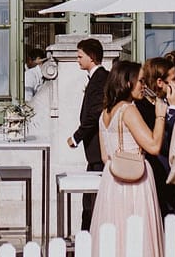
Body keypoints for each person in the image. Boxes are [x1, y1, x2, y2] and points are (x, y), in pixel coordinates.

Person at [89, 61, 165, 257]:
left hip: (112, 181)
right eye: (141, 81)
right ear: (128, 82)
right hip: (135, 182)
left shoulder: (105, 113)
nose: (144, 86)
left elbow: (105, 156)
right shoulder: (128, 110)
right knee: (137, 234)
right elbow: (154, 146)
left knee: (115, 233)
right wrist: (160, 116)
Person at [67, 37, 108, 228]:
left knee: (94, 199)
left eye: (80, 56)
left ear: (91, 57)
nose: (77, 59)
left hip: (98, 147)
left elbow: (94, 113)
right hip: (94, 149)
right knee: (90, 197)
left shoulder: (100, 79)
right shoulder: (98, 78)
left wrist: (76, 137)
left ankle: (91, 233)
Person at [138, 56, 175, 213]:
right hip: (156, 174)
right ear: (160, 82)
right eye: (174, 79)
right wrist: (173, 110)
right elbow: (163, 142)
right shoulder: (142, 106)